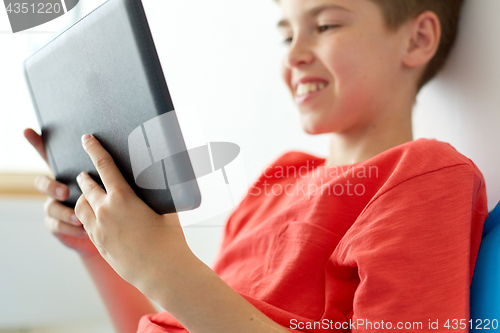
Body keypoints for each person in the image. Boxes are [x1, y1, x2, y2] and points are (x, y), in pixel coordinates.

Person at [24, 0, 489, 332]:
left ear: (419, 38)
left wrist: (164, 269)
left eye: (325, 26)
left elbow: (180, 290)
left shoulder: (423, 175)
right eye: (286, 33)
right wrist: (102, 251)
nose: (294, 53)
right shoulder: (277, 180)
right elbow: (180, 318)